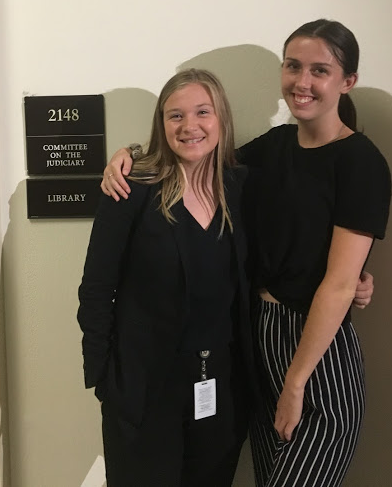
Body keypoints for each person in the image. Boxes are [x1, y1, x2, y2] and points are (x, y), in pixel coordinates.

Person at [102, 19, 391, 487]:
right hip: (257, 348)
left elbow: (338, 285)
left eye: (320, 70)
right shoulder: (269, 152)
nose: (303, 82)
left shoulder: (362, 163)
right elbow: (199, 151)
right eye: (294, 66)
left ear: (347, 82)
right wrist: (130, 153)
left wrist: (296, 383)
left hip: (317, 355)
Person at [78, 69, 256, 487]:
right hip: (144, 391)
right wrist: (105, 379)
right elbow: (97, 288)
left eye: (202, 112)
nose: (189, 126)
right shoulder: (131, 188)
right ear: (161, 124)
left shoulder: (241, 186)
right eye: (175, 116)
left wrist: (357, 275)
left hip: (220, 390)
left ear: (221, 119)